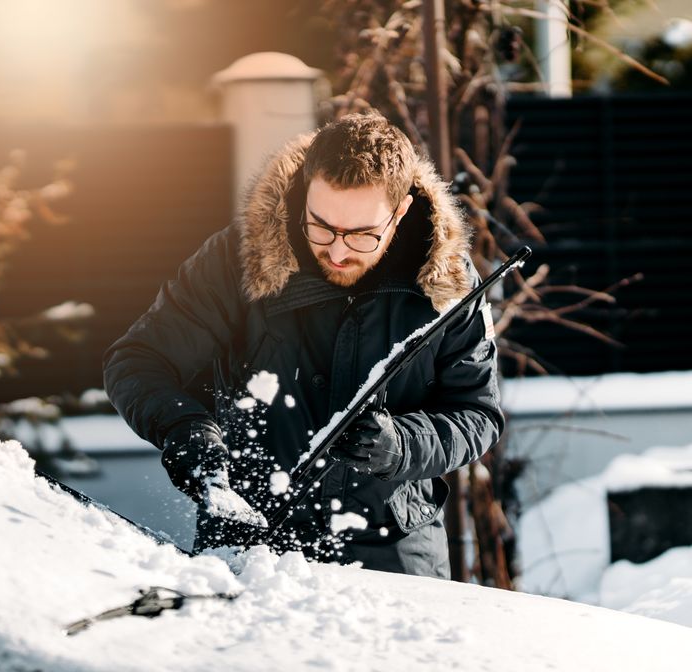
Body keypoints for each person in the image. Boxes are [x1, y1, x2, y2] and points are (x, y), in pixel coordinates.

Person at [103, 112, 504, 578]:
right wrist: (183, 426)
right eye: (321, 226)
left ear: (400, 213)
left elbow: (478, 414)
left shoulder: (448, 285)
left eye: (361, 235)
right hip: (251, 539)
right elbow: (137, 359)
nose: (337, 251)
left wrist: (402, 444)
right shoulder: (236, 262)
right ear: (303, 192)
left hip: (392, 549)